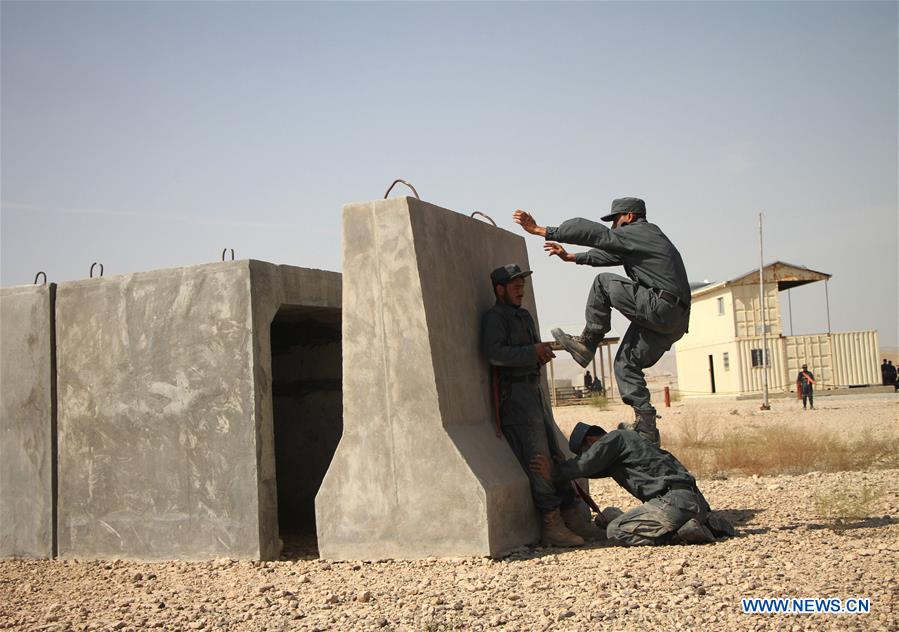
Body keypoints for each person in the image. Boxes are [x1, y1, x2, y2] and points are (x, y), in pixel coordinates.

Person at [513, 198, 691, 445]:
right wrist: (573, 257)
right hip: (674, 319)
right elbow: (609, 254)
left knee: (603, 283)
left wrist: (543, 231)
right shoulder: (643, 241)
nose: (614, 226)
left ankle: (588, 342)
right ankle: (647, 426)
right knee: (625, 363)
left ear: (629, 216)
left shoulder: (640, 231)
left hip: (661, 305)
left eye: (615, 220)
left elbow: (598, 236)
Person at [482, 264, 602, 547]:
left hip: (534, 393)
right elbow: (494, 354)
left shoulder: (524, 316)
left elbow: (529, 350)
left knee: (554, 455)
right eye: (515, 286)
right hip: (516, 399)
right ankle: (552, 523)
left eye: (522, 285)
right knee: (538, 460)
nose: (521, 290)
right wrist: (530, 353)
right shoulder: (494, 317)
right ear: (500, 289)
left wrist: (539, 354)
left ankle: (573, 517)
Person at [529, 422, 734, 546]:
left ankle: (680, 535)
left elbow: (586, 464)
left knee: (615, 531)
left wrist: (553, 472)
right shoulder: (629, 446)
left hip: (673, 504)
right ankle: (701, 524)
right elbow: (591, 469)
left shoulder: (614, 440)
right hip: (692, 503)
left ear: (591, 442)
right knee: (609, 515)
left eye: (586, 451)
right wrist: (565, 466)